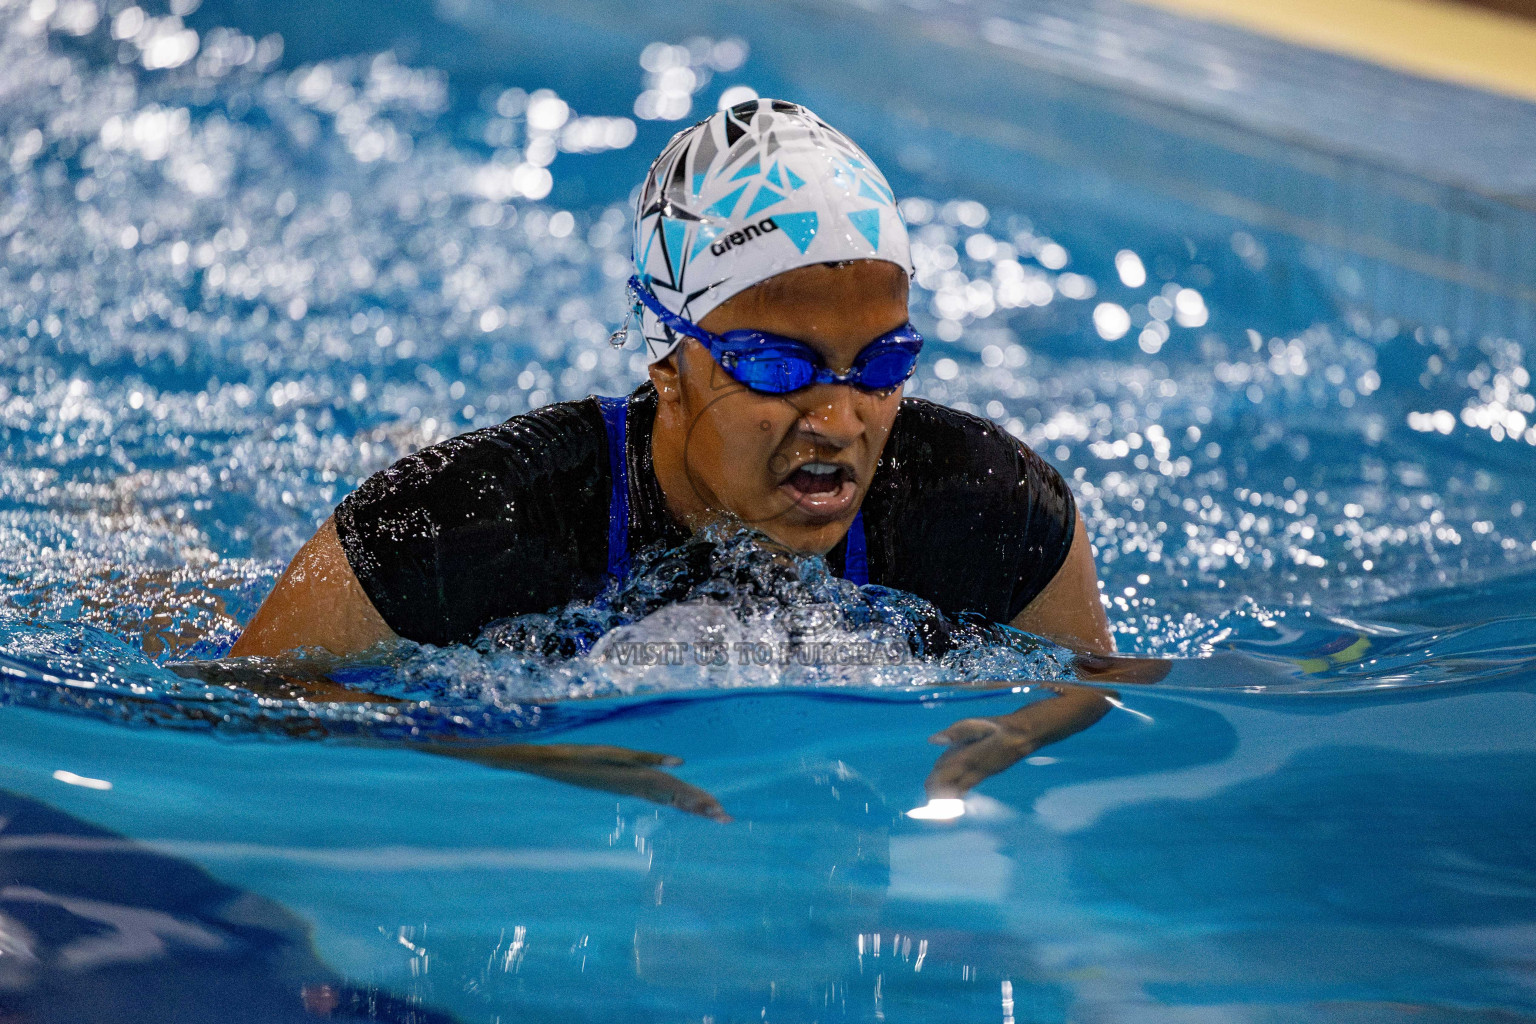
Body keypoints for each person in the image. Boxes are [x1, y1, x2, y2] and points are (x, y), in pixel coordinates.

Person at [227, 99, 1145, 816]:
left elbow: (1102, 677)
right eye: (776, 367)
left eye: (882, 364)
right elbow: (247, 697)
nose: (837, 418)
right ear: (669, 363)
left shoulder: (989, 504)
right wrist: (493, 746)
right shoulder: (470, 516)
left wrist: (1020, 730)